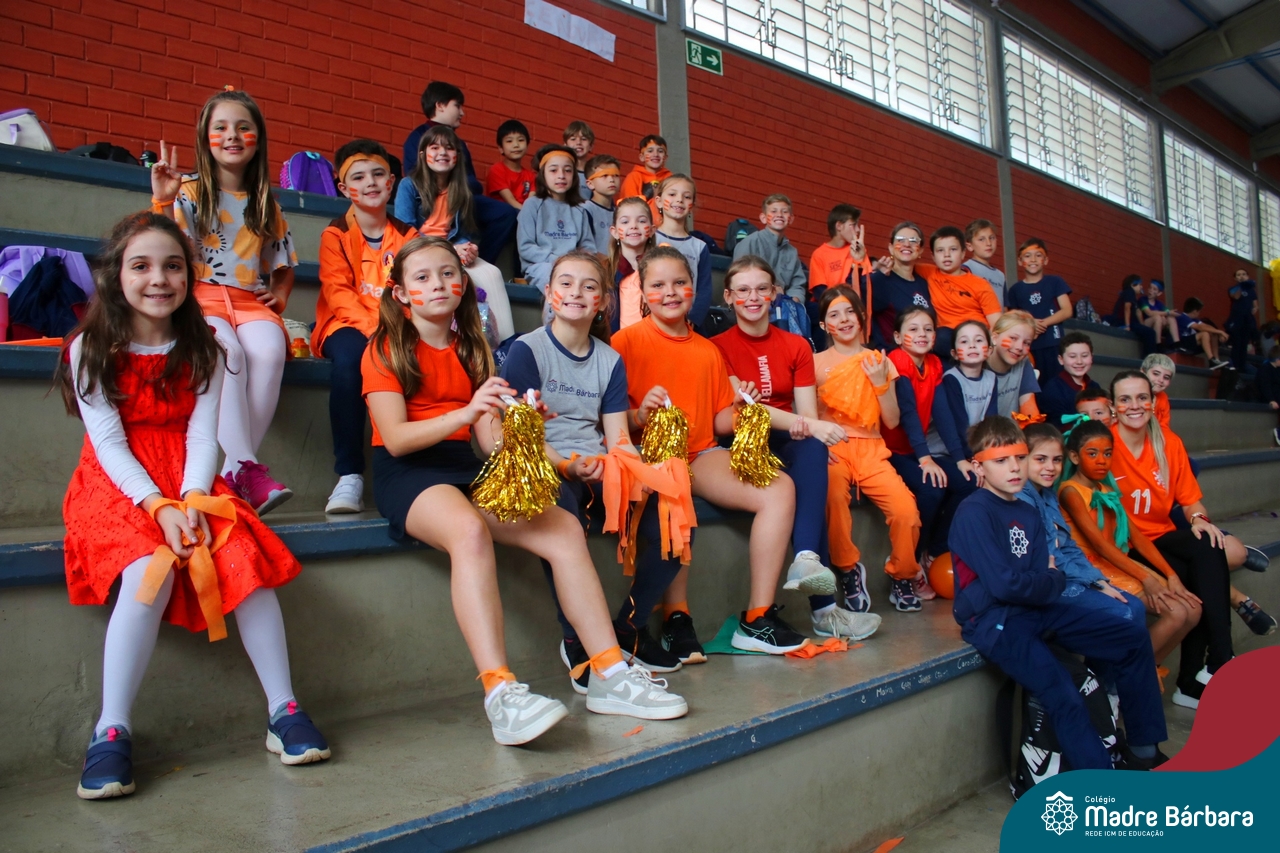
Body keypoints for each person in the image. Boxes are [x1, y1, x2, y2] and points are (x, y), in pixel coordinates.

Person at [363, 236, 687, 743]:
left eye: (448, 273)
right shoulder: (384, 347)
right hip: (408, 473)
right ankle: (500, 692)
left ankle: (609, 673)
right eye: (422, 277)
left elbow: (488, 442)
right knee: (469, 532)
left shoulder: (474, 347)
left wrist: (522, 425)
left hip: (465, 466)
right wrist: (466, 413)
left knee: (563, 528)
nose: (438, 284)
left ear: (463, 282)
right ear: (401, 293)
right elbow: (397, 439)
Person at [60, 212, 330, 800]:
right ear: (116, 276)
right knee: (148, 571)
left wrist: (192, 499)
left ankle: (283, 708)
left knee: (242, 557)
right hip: (120, 483)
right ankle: (111, 729)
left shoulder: (206, 344)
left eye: (173, 266)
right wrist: (159, 507)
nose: (159, 279)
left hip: (190, 474)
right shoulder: (91, 347)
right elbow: (108, 442)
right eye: (141, 266)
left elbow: (204, 435)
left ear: (190, 276)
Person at [611, 246, 813, 657]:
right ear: (643, 293)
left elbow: (716, 422)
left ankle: (757, 617)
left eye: (680, 282)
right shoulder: (624, 342)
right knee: (673, 487)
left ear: (694, 288)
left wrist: (740, 408)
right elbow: (612, 420)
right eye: (658, 285)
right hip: (648, 455)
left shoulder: (706, 349)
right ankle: (676, 617)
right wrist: (639, 413)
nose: (670, 292)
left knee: (780, 489)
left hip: (700, 454)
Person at [498, 250, 685, 686]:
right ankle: (576, 640)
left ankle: (628, 627)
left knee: (672, 513)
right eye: (565, 283)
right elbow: (522, 436)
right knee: (563, 515)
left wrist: (640, 471)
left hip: (596, 464)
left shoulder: (609, 359)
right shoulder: (527, 350)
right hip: (544, 463)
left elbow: (618, 438)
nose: (576, 293)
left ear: (602, 301)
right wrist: (567, 466)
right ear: (549, 293)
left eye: (589, 286)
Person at [949, 415, 1169, 771]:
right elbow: (1006, 585)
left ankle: (1144, 751)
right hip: (995, 620)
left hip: (1038, 609)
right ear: (979, 467)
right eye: (1001, 461)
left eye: (1020, 458)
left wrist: (1045, 579)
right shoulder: (974, 512)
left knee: (1132, 637)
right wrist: (1045, 579)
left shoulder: (1027, 511)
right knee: (1063, 693)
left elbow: (1049, 579)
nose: (1014, 468)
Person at [714, 257, 882, 640]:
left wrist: (813, 430)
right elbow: (747, 411)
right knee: (811, 469)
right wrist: (816, 428)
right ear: (728, 296)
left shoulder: (796, 345)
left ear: (774, 293)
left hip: (789, 436)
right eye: (743, 290)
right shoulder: (717, 347)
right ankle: (825, 611)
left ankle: (806, 558)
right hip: (742, 440)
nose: (753, 297)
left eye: (762, 288)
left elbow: (806, 415)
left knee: (813, 456)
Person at [150, 89, 296, 514]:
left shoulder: (266, 201)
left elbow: (284, 262)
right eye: (221, 128)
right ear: (205, 137)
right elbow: (164, 247)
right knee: (227, 352)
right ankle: (248, 468)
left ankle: (235, 472)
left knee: (269, 351)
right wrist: (164, 200)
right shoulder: (188, 190)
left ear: (258, 138)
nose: (232, 135)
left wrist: (279, 294)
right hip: (200, 299)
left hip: (249, 301)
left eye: (243, 127)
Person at [1105, 371, 1235, 710]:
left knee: (1208, 542)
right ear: (1113, 406)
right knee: (1196, 578)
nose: (1135, 405)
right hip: (1124, 545)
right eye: (1125, 399)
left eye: (1142, 397)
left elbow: (1191, 501)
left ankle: (1219, 657)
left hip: (1159, 536)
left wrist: (1199, 519)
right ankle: (1195, 678)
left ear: (1153, 402)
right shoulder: (1104, 445)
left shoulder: (1167, 441)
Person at [314, 140, 417, 514]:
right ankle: (349, 474)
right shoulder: (336, 233)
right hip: (345, 323)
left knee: (418, 356)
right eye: (358, 177)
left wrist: (394, 327)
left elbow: (413, 289)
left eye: (377, 174)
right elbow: (338, 292)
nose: (370, 183)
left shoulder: (408, 236)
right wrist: (374, 328)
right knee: (350, 361)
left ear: (391, 183)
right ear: (344, 189)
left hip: (395, 322)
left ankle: (413, 465)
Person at [1055, 420, 1202, 675]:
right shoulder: (1070, 492)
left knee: (1193, 609)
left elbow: (1138, 537)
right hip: (1093, 568)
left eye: (1107, 454)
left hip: (1116, 562)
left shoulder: (1106, 489)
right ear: (1075, 457)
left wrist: (1171, 575)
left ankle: (1144, 672)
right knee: (1177, 613)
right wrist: (1146, 578)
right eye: (1093, 454)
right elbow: (1099, 546)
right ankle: (1125, 676)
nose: (1102, 461)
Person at [814, 286, 924, 612]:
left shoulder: (879, 361)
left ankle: (902, 574)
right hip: (833, 446)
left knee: (906, 510)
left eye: (850, 311)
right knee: (833, 497)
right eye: (834, 314)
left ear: (862, 317)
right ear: (823, 325)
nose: (844, 319)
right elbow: (807, 414)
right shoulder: (815, 363)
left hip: (873, 449)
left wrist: (879, 381)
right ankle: (848, 569)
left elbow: (892, 420)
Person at [1018, 424, 1152, 630]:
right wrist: (1091, 582)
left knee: (1133, 606)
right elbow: (1050, 555)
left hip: (1066, 574)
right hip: (1044, 583)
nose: (1050, 467)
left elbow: (1069, 546)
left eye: (1057, 460)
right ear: (1021, 459)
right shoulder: (1022, 499)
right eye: (1041, 459)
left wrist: (1098, 581)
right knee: (1124, 611)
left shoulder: (1048, 495)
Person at [885, 306, 977, 596]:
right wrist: (925, 459)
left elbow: (943, 415)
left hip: (916, 449)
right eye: (913, 329)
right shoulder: (897, 360)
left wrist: (960, 459)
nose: (921, 334)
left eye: (928, 329)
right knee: (932, 488)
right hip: (891, 450)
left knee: (968, 480)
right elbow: (908, 413)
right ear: (898, 337)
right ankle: (909, 561)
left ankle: (934, 551)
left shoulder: (935, 363)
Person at [394, 125, 514, 344]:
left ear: (457, 156)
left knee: (493, 273)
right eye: (435, 147)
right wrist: (450, 249)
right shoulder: (408, 185)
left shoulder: (461, 190)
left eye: (449, 148)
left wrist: (468, 248)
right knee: (467, 281)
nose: (442, 152)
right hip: (419, 251)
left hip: (450, 251)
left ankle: (504, 345)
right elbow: (405, 232)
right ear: (422, 154)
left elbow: (461, 232)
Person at [403, 81, 517, 264]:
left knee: (506, 213)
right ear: (440, 105)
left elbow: (472, 183)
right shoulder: (417, 138)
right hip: (428, 204)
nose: (462, 113)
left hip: (460, 195)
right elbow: (413, 174)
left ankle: (478, 259)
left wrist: (456, 182)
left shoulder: (459, 143)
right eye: (457, 106)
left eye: (449, 148)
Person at [516, 144, 597, 295]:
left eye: (568, 170)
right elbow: (526, 247)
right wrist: (558, 261)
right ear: (543, 174)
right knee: (560, 283)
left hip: (574, 267)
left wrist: (578, 262)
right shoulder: (532, 205)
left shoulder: (580, 209)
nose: (561, 175)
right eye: (553, 170)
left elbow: (588, 248)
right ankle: (553, 312)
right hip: (541, 266)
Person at [914, 225, 1001, 355]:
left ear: (963, 253)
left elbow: (997, 323)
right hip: (947, 337)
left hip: (975, 334)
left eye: (953, 249)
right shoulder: (929, 273)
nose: (947, 255)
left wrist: (992, 347)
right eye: (940, 250)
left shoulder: (980, 284)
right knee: (939, 337)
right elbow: (902, 266)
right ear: (933, 256)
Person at [1005, 238, 1073, 384]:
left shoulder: (1055, 282)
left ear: (1046, 260)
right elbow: (1012, 318)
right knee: (1033, 386)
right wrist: (1031, 323)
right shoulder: (1015, 290)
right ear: (1019, 261)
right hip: (1028, 347)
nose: (1033, 260)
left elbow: (1067, 310)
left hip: (1054, 344)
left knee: (1057, 384)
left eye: (1038, 255)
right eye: (1027, 256)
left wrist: (1044, 323)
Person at [653, 175, 713, 329]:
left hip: (687, 323)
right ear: (658, 201)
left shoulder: (699, 247)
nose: (679, 200)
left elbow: (704, 289)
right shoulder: (649, 240)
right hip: (653, 320)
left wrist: (694, 319)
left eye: (687, 197)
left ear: (692, 205)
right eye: (672, 194)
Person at [808, 203, 872, 340]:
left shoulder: (859, 250)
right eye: (853, 225)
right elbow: (820, 291)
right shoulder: (819, 254)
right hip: (830, 308)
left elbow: (865, 285)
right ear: (839, 226)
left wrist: (858, 260)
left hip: (854, 308)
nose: (857, 230)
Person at [732, 194, 807, 303]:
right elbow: (738, 279)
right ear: (763, 218)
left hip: (784, 305)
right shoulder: (750, 243)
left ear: (791, 219)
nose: (779, 215)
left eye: (784, 212)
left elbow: (797, 285)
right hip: (754, 302)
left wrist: (793, 301)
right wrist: (769, 290)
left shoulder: (792, 252)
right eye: (774, 211)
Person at [869, 222, 933, 349]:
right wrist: (875, 274)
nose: (907, 244)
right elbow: (857, 298)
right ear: (891, 248)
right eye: (900, 239)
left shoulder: (924, 283)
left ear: (920, 250)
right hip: (891, 355)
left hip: (923, 354)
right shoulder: (881, 280)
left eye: (913, 241)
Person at [941, 319, 999, 454]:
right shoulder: (951, 379)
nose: (972, 345)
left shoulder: (991, 378)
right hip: (953, 451)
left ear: (989, 350)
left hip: (980, 447)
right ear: (954, 354)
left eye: (978, 340)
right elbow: (959, 425)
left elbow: (991, 419)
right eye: (964, 341)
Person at [605, 196, 656, 330]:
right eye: (625, 221)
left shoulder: (660, 269)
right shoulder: (605, 271)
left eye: (641, 221)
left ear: (652, 230)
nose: (633, 226)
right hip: (616, 340)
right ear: (614, 232)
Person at [1040, 331, 1100, 428]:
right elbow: (1059, 426)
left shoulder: (1095, 387)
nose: (1079, 361)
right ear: (1061, 360)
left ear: (1091, 357)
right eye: (1072, 356)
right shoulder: (1053, 390)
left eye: (1084, 356)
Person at [987, 311, 1042, 418]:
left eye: (1026, 343)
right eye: (1013, 338)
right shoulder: (978, 364)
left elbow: (1029, 408)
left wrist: (1034, 426)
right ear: (995, 338)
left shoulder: (1023, 361)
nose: (1019, 347)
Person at [484, 119, 535, 210]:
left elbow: (531, 203)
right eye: (509, 141)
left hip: (523, 213)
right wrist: (527, 214)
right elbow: (510, 201)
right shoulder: (497, 170)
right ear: (501, 148)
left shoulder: (531, 176)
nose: (516, 145)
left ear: (527, 145)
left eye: (521, 140)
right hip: (503, 214)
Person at [619, 134, 671, 222]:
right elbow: (631, 208)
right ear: (642, 157)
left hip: (667, 226)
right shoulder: (633, 177)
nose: (655, 154)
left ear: (665, 158)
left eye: (660, 151)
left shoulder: (670, 179)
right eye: (650, 151)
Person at [1106, 274, 1156, 356]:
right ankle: (1149, 358)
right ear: (1133, 284)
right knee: (1151, 333)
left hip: (1129, 322)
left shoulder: (1134, 297)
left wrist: (1142, 326)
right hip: (1121, 321)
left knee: (1147, 332)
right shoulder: (1129, 291)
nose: (1141, 287)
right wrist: (1127, 325)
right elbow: (1127, 308)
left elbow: (1138, 312)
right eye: (1140, 284)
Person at [1173, 297, 1230, 367]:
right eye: (1199, 311)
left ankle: (1216, 359)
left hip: (1190, 342)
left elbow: (1206, 326)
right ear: (1195, 311)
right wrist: (1220, 332)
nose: (1199, 314)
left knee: (1213, 333)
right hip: (1182, 343)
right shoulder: (1182, 316)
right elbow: (1199, 327)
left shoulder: (1194, 319)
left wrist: (1218, 332)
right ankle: (1211, 359)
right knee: (1204, 334)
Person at [581, 153, 622, 248]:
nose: (611, 179)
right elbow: (585, 248)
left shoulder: (620, 212)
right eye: (604, 175)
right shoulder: (585, 210)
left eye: (616, 175)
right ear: (590, 184)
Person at [962, 218, 1005, 304]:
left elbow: (1004, 307)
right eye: (981, 239)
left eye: (992, 238)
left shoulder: (1000, 275)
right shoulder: (966, 269)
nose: (988, 243)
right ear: (970, 246)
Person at [1225, 268, 1260, 370]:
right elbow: (1236, 297)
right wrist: (1241, 285)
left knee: (1244, 345)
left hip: (1247, 320)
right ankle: (1234, 366)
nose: (1241, 276)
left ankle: (1242, 366)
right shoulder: (1233, 288)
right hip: (1236, 320)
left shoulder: (1251, 290)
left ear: (1247, 276)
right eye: (1239, 275)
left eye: (1244, 274)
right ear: (1235, 278)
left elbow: (1255, 304)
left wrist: (1255, 309)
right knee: (1237, 343)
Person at [1137, 280, 1177, 348]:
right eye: (1150, 287)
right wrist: (1165, 314)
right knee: (1157, 317)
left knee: (1171, 318)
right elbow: (1149, 313)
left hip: (1158, 324)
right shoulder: (1143, 299)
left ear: (1159, 293)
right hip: (1145, 324)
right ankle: (1158, 343)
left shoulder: (1159, 303)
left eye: (1154, 289)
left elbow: (1169, 312)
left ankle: (1176, 343)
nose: (1151, 290)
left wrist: (1166, 315)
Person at [1257, 344, 1280, 446]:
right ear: (1277, 360)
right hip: (1268, 397)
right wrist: (1271, 399)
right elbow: (1265, 386)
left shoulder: (1278, 370)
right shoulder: (1265, 369)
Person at [563, 120, 595, 187]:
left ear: (591, 146)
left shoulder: (595, 173)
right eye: (573, 139)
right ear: (565, 145)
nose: (578, 143)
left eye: (583, 139)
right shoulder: (560, 171)